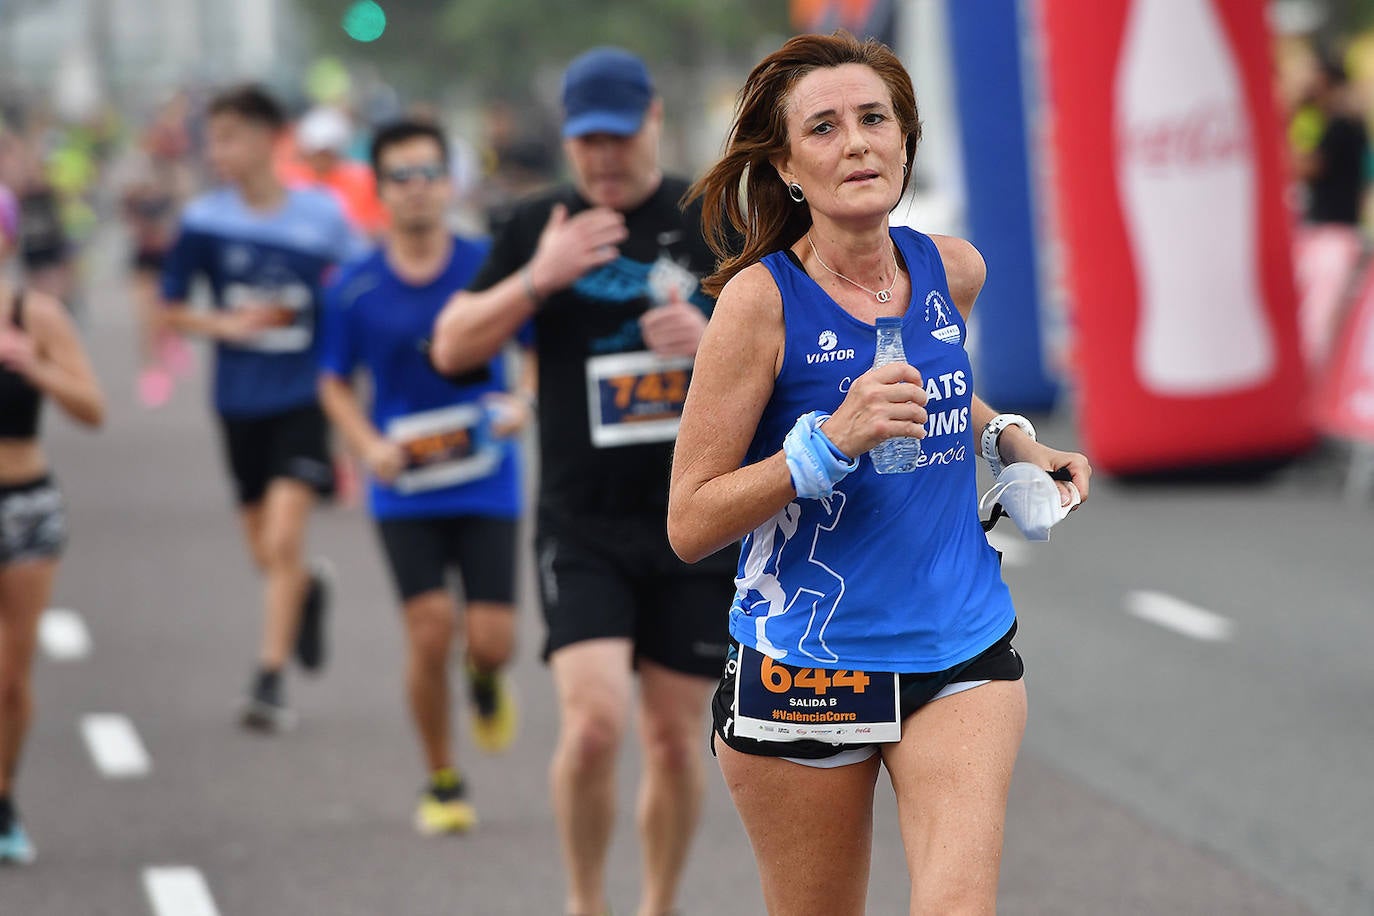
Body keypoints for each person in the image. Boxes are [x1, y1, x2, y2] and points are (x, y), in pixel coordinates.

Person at [667, 32, 1092, 915]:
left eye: (875, 120)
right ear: (786, 166)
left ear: (906, 140)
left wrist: (1011, 439)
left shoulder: (953, 269)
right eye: (823, 128)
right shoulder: (758, 303)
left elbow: (939, 392)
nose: (856, 143)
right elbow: (691, 519)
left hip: (959, 647)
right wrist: (829, 443)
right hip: (805, 670)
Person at [430, 47, 735, 916]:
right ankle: (585, 904)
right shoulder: (539, 223)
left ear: (651, 122)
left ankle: (658, 904)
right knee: (595, 726)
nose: (599, 158)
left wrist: (712, 334)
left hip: (695, 520)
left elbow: (791, 348)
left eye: (615, 137)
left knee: (677, 744)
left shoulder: (712, 216)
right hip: (584, 522)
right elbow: (453, 347)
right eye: (583, 141)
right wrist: (539, 278)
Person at [318, 119, 527, 835]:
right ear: (379, 192)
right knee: (429, 631)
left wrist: (521, 403)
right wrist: (364, 445)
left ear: (450, 182)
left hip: (485, 476)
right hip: (401, 483)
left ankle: (486, 677)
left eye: (429, 173)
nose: (417, 189)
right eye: (401, 176)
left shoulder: (487, 264)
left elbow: (531, 345)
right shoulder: (353, 287)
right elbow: (333, 383)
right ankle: (443, 778)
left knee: (491, 639)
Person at [159, 85, 360, 732]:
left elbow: (360, 289)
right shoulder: (204, 221)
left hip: (303, 396)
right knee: (265, 554)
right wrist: (222, 325)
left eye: (230, 137)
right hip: (237, 401)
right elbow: (170, 306)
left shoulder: (323, 217)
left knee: (281, 538)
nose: (218, 152)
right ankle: (306, 589)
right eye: (213, 139)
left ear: (268, 140)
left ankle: (269, 682)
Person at [0, 182, 105, 863]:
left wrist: (34, 367)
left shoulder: (34, 315)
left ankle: (3, 799)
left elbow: (92, 409)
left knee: (9, 677)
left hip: (25, 506)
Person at [1294, 57, 1369, 227]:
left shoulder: (1341, 123)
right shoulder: (1348, 120)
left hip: (1333, 222)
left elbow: (1311, 167)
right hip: (1342, 218)